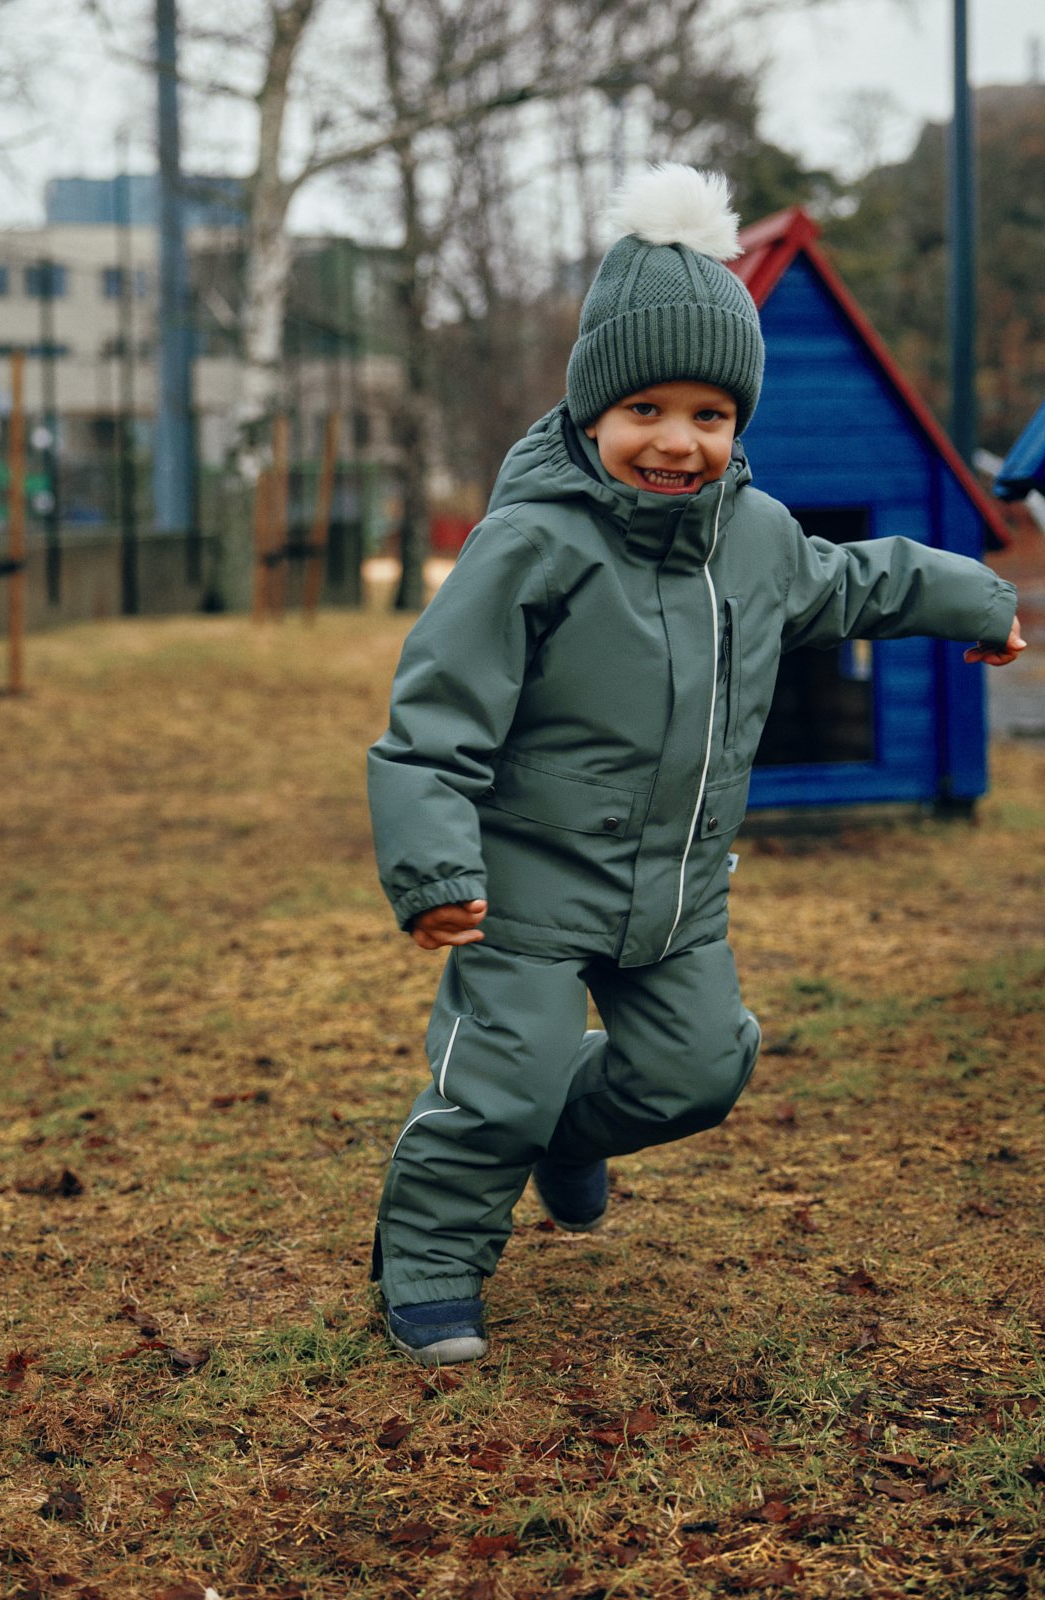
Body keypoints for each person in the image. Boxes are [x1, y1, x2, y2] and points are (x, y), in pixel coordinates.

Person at [366, 163, 1026, 1365]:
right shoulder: (532, 545)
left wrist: (976, 597)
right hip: (520, 888)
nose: (677, 442)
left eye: (711, 417)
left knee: (703, 1068)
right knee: (498, 1085)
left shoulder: (759, 538)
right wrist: (432, 868)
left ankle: (573, 1133)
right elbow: (432, 722)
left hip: (675, 892)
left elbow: (859, 580)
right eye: (647, 412)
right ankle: (430, 1265)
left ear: (738, 427)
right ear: (591, 413)